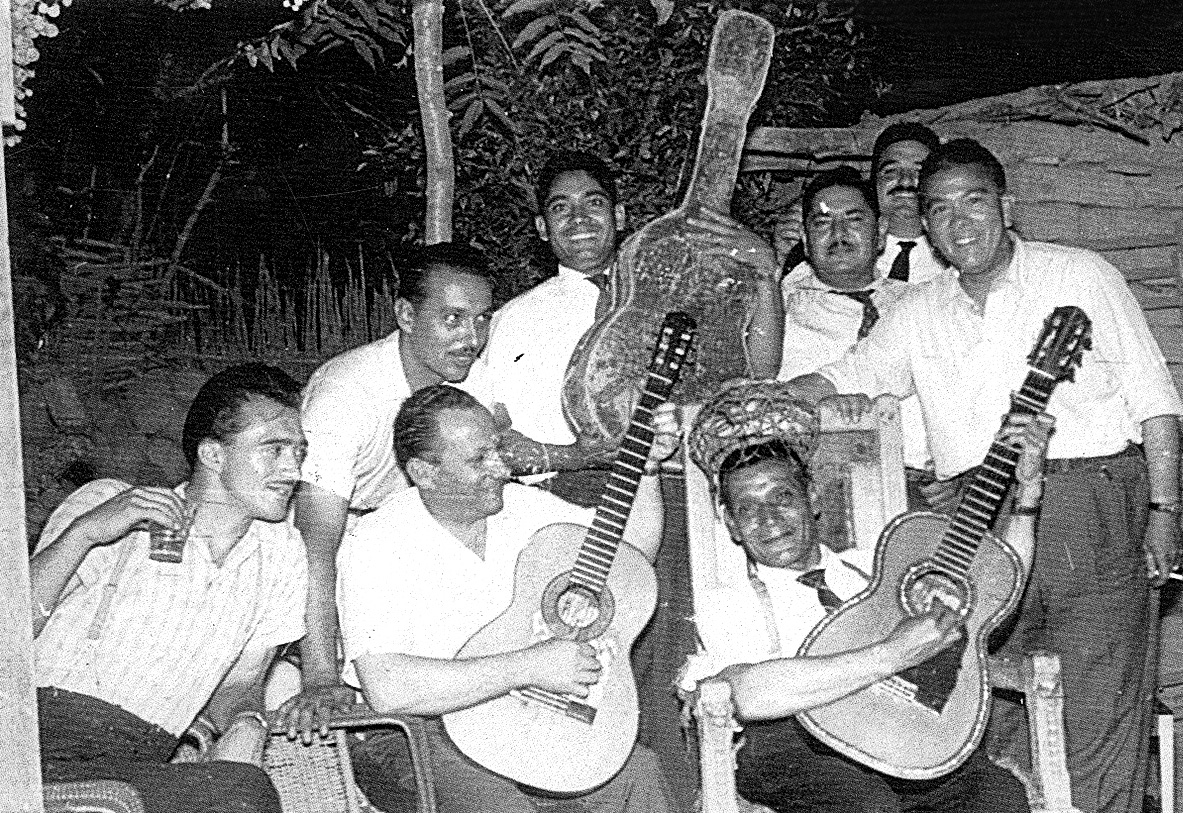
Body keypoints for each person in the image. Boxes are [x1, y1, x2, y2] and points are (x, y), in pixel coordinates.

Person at [784, 137, 1183, 813]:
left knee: (1099, 700)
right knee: (981, 705)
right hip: (978, 517)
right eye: (939, 209)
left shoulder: (1080, 273)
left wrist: (1164, 509)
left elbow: (1155, 400)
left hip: (1090, 500)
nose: (958, 221)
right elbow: (847, 375)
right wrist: (763, 400)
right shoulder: (917, 310)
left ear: (1006, 205)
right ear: (922, 224)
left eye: (973, 201)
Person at [681, 380, 1053, 813]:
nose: (769, 519)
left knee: (998, 796)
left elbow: (992, 587)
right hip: (792, 745)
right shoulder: (728, 603)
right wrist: (895, 652)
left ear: (812, 497)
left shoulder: (881, 565)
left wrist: (1027, 495)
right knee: (866, 805)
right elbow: (747, 696)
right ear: (730, 524)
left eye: (782, 497)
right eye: (748, 508)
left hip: (897, 730)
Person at [336, 384, 681, 812]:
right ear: (424, 473)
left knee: (639, 775)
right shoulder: (376, 542)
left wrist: (646, 468)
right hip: (411, 731)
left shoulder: (520, 506)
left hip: (515, 715)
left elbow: (628, 554)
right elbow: (388, 688)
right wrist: (530, 666)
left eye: (497, 449)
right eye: (478, 459)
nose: (501, 468)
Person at [30, 363, 310, 813]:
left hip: (142, 759)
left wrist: (247, 723)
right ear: (213, 455)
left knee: (241, 790)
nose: (293, 469)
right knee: (241, 795)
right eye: (274, 448)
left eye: (299, 451)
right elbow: (10, 631)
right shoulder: (113, 504)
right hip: (37, 738)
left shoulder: (280, 553)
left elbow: (240, 684)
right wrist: (84, 533)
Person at [471, 149, 783, 501]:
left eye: (593, 203)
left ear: (618, 216)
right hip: (569, 496)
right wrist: (575, 458)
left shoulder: (677, 289)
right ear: (542, 228)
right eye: (560, 208)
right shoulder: (516, 318)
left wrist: (766, 275)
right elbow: (492, 434)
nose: (578, 218)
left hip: (686, 483)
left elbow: (759, 375)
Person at [285, 241, 496, 732]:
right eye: (453, 319)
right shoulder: (347, 393)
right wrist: (321, 677)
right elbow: (314, 545)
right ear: (405, 315)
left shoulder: (471, 380)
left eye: (482, 319)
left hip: (406, 539)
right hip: (328, 547)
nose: (471, 338)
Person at [774, 166, 932, 504]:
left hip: (922, 487)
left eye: (854, 220)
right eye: (822, 223)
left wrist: (959, 470)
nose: (839, 233)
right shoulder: (778, 308)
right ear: (805, 239)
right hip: (808, 485)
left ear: (880, 233)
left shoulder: (923, 304)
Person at [773, 122, 944, 286]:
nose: (905, 181)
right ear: (874, 181)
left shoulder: (951, 253)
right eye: (891, 171)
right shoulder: (830, 245)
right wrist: (783, 257)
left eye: (919, 171)